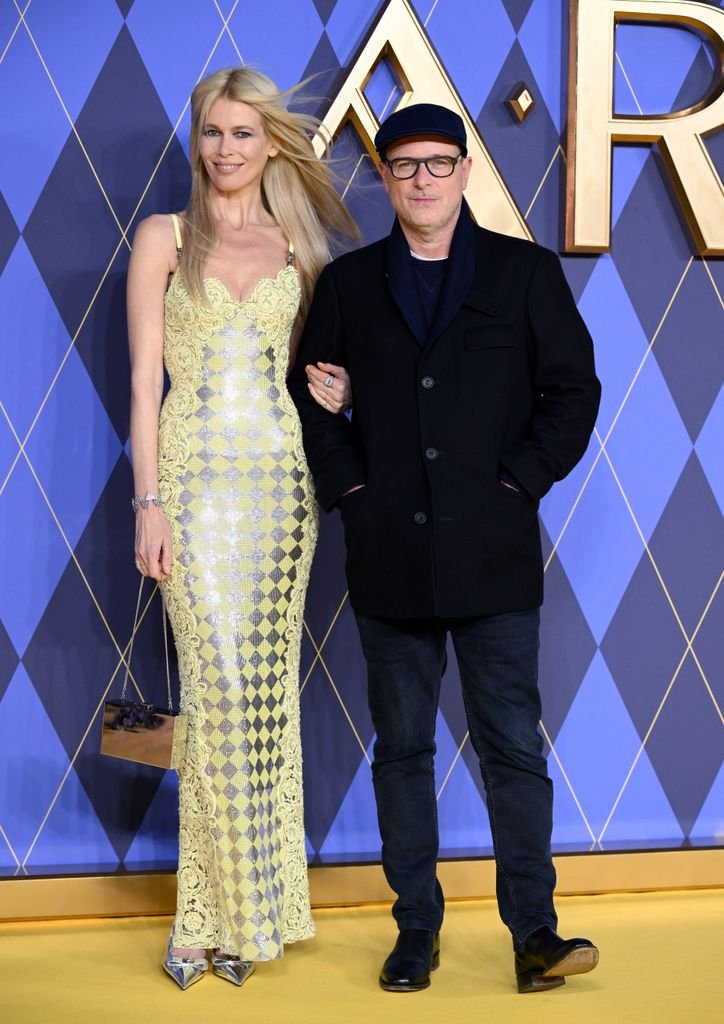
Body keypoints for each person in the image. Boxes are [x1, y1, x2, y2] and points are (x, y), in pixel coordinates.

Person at [288, 103, 602, 995]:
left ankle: (534, 936)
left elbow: (573, 393)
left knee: (512, 749)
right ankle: (415, 932)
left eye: (437, 163)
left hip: (494, 557)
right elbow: (313, 403)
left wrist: (518, 481)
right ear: (384, 177)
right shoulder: (348, 285)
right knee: (402, 751)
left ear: (465, 172)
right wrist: (352, 490)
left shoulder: (525, 273)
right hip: (388, 554)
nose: (421, 179)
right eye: (403, 165)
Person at [127, 66, 356, 990]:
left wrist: (340, 392)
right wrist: (148, 501)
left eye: (243, 134)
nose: (226, 150)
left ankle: (253, 912)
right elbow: (146, 382)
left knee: (261, 707)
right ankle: (205, 916)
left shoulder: (304, 250)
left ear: (272, 143)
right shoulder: (164, 237)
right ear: (199, 142)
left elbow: (311, 380)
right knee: (215, 695)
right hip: (188, 485)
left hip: (279, 495)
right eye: (212, 134)